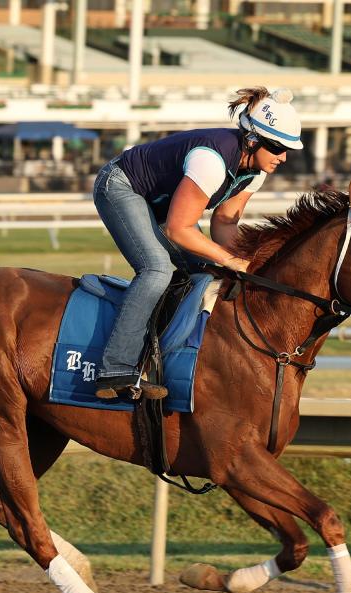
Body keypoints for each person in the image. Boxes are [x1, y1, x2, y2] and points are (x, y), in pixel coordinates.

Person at [91, 86, 303, 400]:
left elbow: (225, 222)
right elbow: (178, 229)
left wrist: (250, 262)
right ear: (252, 140)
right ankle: (115, 368)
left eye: (287, 150)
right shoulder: (210, 160)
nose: (282, 157)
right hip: (122, 186)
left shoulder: (255, 171)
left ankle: (166, 356)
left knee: (206, 272)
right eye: (277, 148)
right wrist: (230, 260)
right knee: (156, 270)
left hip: (160, 206)